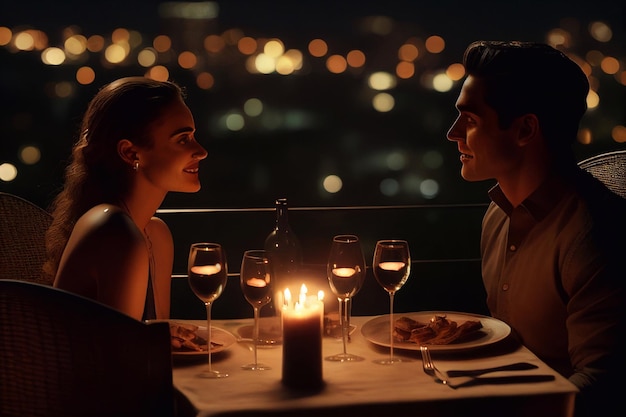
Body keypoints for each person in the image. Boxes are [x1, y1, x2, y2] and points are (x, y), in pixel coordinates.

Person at [447, 41, 625, 417]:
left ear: (526, 129)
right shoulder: (497, 216)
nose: (453, 133)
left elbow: (603, 383)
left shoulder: (592, 235)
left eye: (472, 120)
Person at [44, 77, 208, 321]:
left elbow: (155, 340)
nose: (201, 152)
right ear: (130, 153)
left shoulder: (156, 234)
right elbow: (127, 356)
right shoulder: (114, 230)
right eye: (183, 139)